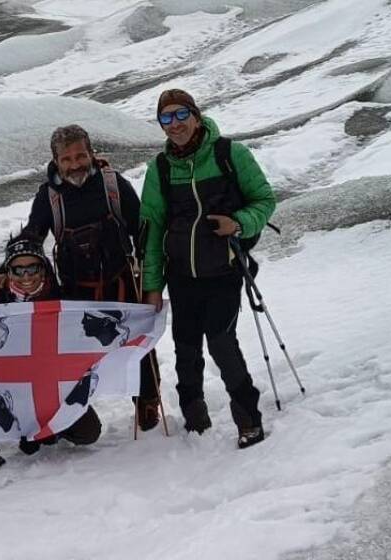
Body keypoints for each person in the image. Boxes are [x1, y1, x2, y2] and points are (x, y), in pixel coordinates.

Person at [139, 89, 276, 449]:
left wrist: (240, 223)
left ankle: (249, 417)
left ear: (196, 115)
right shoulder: (161, 168)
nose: (174, 124)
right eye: (165, 118)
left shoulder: (229, 154)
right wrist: (152, 286)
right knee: (185, 347)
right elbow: (151, 229)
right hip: (181, 276)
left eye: (180, 114)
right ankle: (194, 415)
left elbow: (265, 200)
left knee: (220, 342)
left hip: (224, 271)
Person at [12, 124, 162, 431]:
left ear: (92, 153)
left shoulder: (113, 185)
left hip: (121, 283)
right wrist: (8, 271)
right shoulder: (48, 198)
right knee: (73, 361)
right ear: (55, 161)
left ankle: (146, 401)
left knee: (137, 349)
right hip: (75, 292)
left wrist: (150, 282)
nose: (75, 164)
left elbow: (142, 232)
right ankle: (76, 418)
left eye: (81, 155)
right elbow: (32, 240)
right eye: (66, 159)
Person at [0, 233, 102, 471]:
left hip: (52, 385)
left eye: (33, 268)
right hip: (10, 386)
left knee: (89, 433)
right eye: (18, 270)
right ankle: (4, 435)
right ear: (8, 272)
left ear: (44, 268)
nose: (26, 276)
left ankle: (48, 429)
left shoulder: (62, 300)